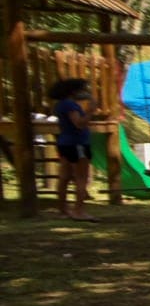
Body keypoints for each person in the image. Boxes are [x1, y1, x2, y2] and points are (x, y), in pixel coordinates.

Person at [49, 78, 97, 221]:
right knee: (81, 178)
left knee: (64, 177)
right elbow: (79, 123)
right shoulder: (70, 105)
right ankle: (79, 211)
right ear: (74, 91)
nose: (85, 92)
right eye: (83, 89)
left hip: (65, 143)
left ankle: (63, 210)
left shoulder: (60, 104)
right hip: (77, 144)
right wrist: (90, 111)